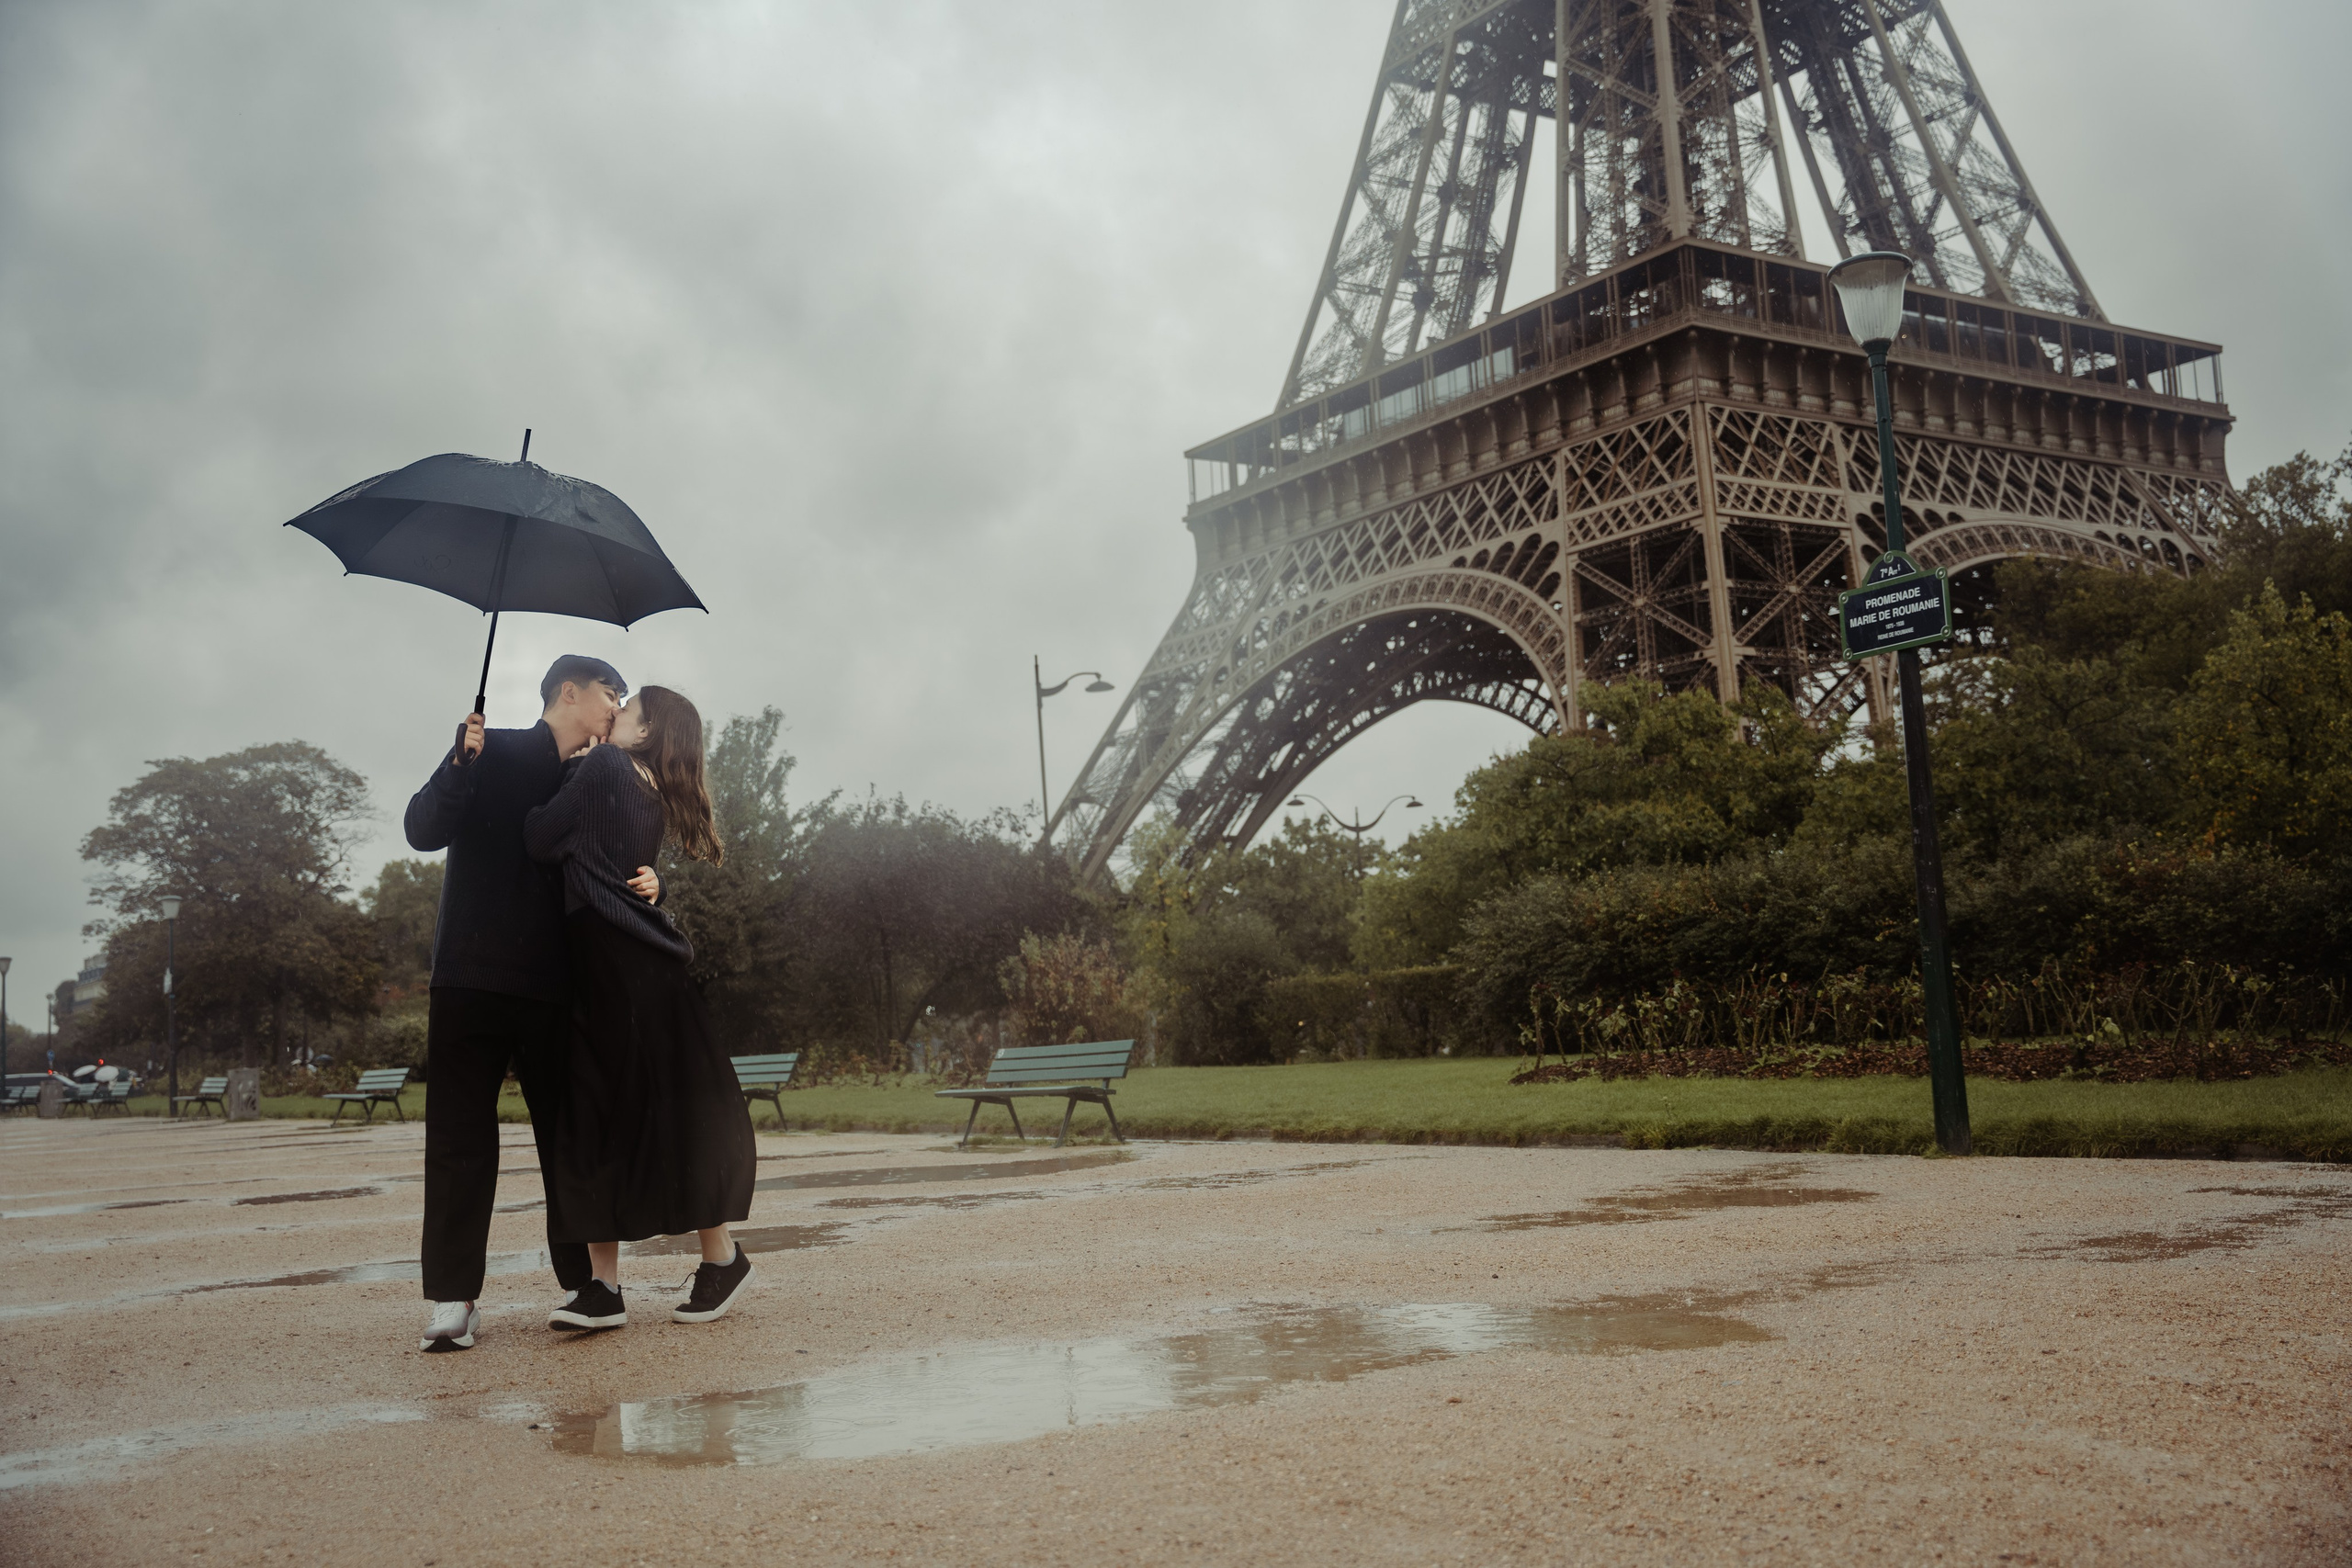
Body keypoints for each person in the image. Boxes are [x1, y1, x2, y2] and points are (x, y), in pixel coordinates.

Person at [402, 654, 661, 1353]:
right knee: (458, 1139)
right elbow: (421, 829)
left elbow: (622, 852)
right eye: (611, 693)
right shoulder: (489, 749)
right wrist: (458, 763)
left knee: (568, 1137)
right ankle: (453, 1297)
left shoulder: (597, 772)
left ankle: (588, 1285)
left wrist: (652, 878)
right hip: (468, 973)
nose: (618, 706)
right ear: (569, 692)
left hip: (555, 982)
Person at [524, 684, 757, 1330]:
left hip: (612, 965)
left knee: (595, 1114)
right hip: (642, 968)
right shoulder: (650, 787)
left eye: (626, 710)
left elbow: (540, 837)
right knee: (664, 1115)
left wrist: (568, 774)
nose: (613, 715)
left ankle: (605, 1286)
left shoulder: (603, 765)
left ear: (647, 730)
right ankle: (718, 1258)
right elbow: (621, 866)